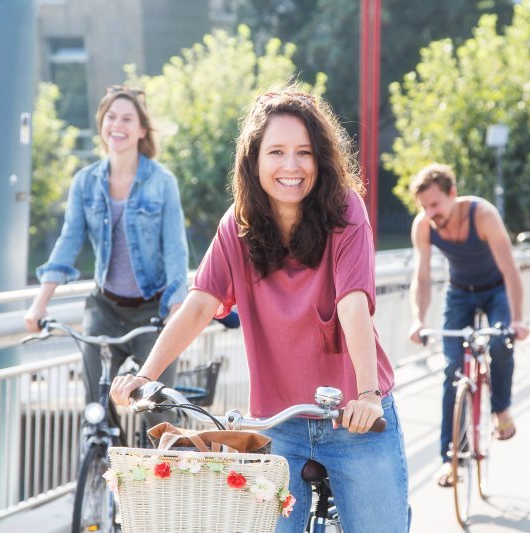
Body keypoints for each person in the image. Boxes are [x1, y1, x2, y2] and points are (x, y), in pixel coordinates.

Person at [110, 88, 410, 532]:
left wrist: (367, 395)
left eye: (304, 152)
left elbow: (353, 305)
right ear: (253, 160)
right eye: (276, 152)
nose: (292, 166)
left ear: (321, 159)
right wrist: (146, 375)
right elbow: (200, 304)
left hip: (354, 420)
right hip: (278, 426)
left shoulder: (346, 211)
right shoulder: (238, 224)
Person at [24, 85, 188, 419]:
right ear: (101, 125)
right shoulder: (85, 182)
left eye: (127, 118)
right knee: (97, 408)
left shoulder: (162, 182)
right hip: (105, 308)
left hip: (153, 310)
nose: (118, 125)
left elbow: (175, 251)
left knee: (157, 411)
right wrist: (39, 303)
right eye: (111, 117)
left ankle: (161, 449)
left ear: (141, 130)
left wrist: (175, 309)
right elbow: (68, 241)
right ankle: (102, 450)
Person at [407, 163, 529, 488]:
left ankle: (500, 409)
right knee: (452, 372)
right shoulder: (424, 226)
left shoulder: (483, 215)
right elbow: (421, 278)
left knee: (501, 343)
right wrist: (418, 320)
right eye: (424, 207)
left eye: (435, 204)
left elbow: (510, 270)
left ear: (453, 193)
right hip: (459, 292)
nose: (431, 213)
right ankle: (451, 461)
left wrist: (517, 319)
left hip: (496, 290)